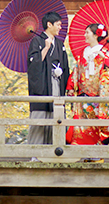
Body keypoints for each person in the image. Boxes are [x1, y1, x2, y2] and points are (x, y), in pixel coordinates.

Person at [66, 22, 109, 147]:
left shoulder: (105, 52)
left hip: (97, 96)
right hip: (82, 95)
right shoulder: (83, 52)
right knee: (81, 128)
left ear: (96, 35)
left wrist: (105, 59)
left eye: (87, 33)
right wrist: (71, 87)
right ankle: (81, 151)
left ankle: (97, 151)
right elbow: (76, 71)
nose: (85, 35)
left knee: (97, 126)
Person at [27, 11, 70, 145]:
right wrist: (45, 48)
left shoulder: (60, 44)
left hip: (57, 84)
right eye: (58, 24)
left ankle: (56, 149)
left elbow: (65, 67)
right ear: (49, 24)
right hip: (43, 85)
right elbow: (33, 65)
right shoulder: (37, 41)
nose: (60, 28)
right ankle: (35, 152)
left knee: (57, 118)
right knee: (39, 122)